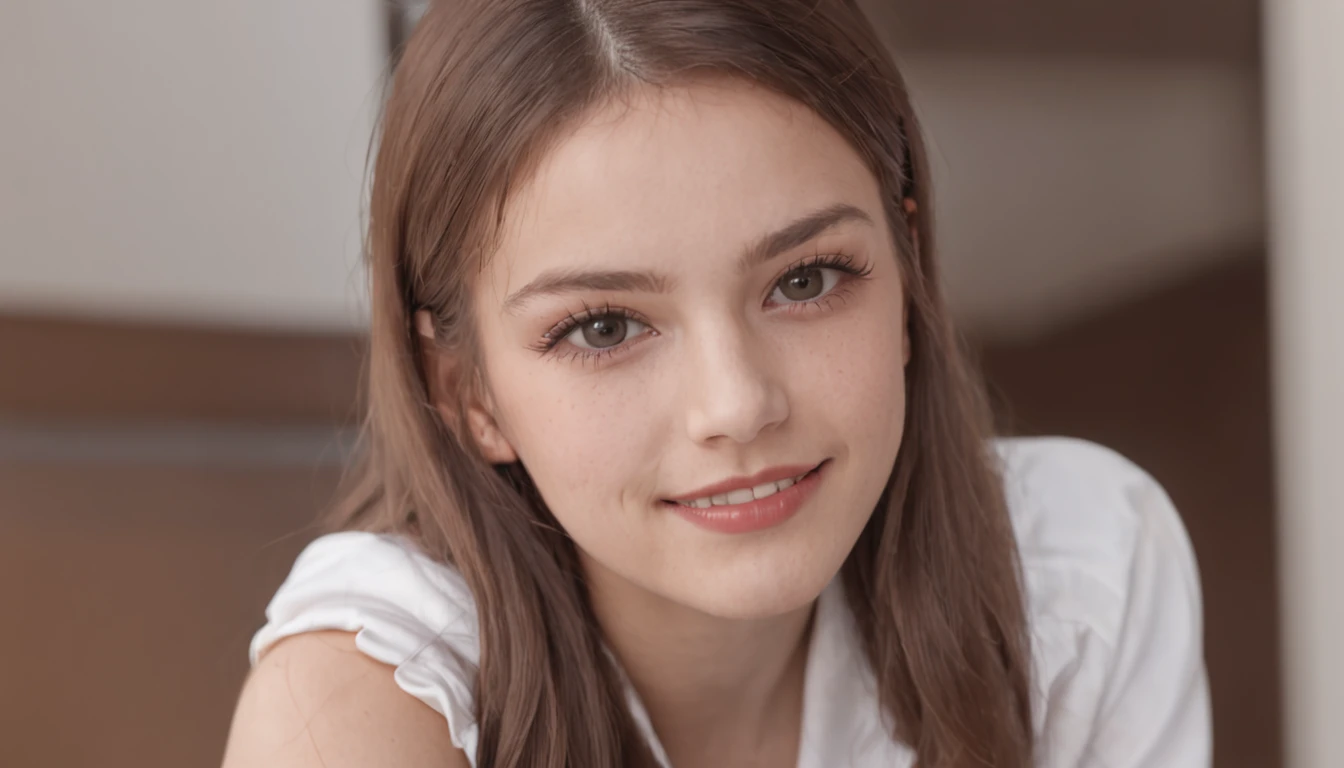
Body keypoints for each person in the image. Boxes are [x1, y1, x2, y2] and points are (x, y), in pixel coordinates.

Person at [221, 1, 1211, 766]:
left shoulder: (1078, 571)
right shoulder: (363, 695)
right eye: (603, 327)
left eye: (805, 280)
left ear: (908, 270)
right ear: (466, 390)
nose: (737, 404)